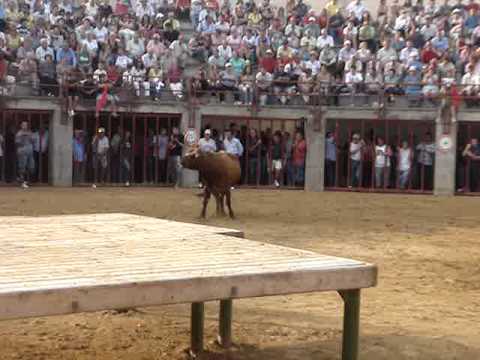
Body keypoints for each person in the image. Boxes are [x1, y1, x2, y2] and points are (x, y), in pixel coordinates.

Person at [15, 121, 35, 188]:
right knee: (22, 167)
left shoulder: (30, 132)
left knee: (31, 167)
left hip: (30, 152)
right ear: (21, 126)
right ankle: (22, 182)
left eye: (26, 125)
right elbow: (17, 143)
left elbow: (33, 141)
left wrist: (30, 137)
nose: (25, 126)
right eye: (23, 125)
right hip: (22, 152)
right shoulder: (19, 133)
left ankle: (25, 180)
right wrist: (22, 138)